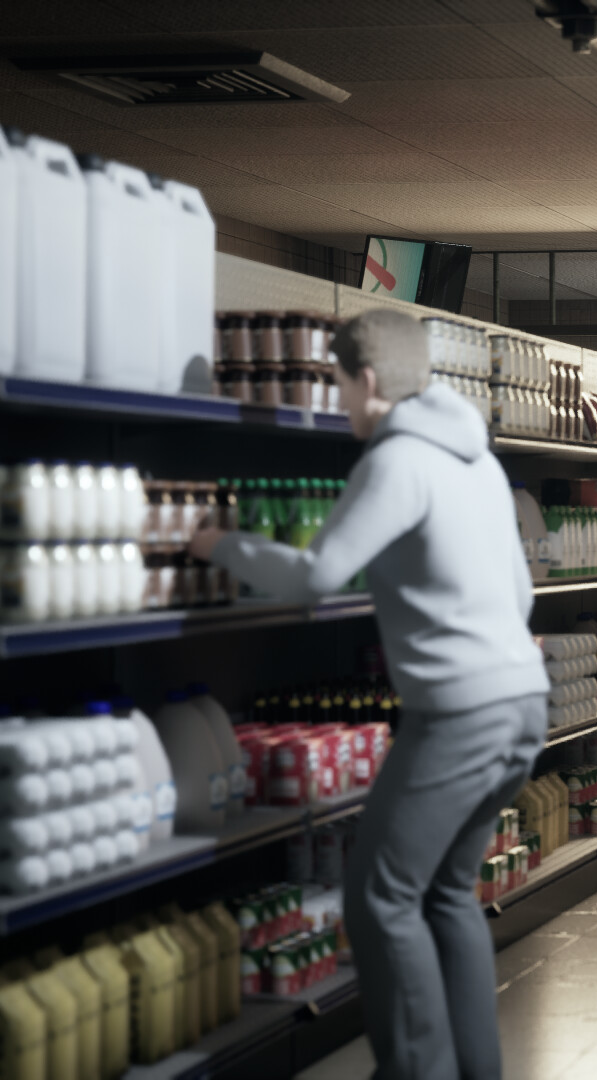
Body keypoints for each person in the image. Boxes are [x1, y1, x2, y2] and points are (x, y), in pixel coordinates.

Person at [189, 309, 546, 1079]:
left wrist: (222, 545)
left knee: (380, 896)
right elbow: (520, 595)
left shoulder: (396, 460)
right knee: (446, 892)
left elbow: (317, 576)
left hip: (460, 713)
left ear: (371, 381)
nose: (340, 400)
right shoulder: (479, 462)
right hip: (523, 702)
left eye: (340, 383)